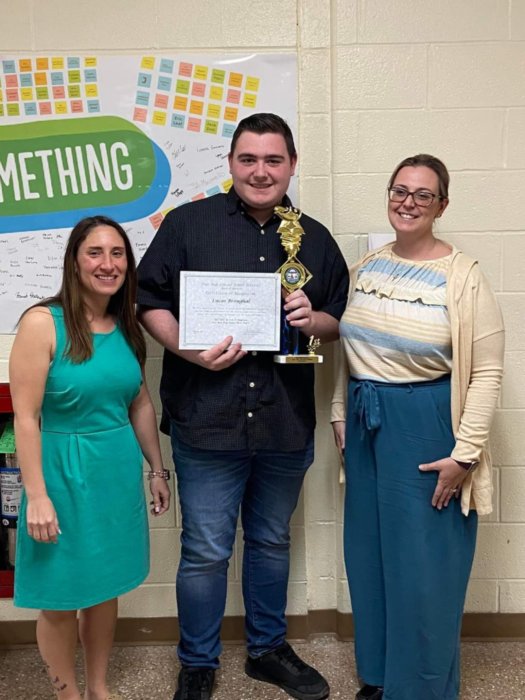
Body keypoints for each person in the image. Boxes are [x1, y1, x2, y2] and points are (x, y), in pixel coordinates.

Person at [137, 113, 349, 700]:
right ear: (231, 163)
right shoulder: (187, 225)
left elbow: (337, 319)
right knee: (204, 551)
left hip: (284, 423)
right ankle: (198, 662)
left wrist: (315, 320)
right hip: (208, 420)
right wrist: (188, 349)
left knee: (272, 541)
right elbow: (147, 297)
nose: (261, 171)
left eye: (273, 160)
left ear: (292, 165)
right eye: (249, 159)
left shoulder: (314, 238)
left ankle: (266, 650)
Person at [331, 155, 504, 700]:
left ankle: (423, 687)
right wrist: (340, 412)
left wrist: (466, 454)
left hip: (428, 428)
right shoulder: (367, 267)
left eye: (422, 195)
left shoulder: (463, 277)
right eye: (399, 190)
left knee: (425, 570)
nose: (408, 202)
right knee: (371, 558)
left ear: (442, 206)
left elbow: (488, 373)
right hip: (366, 426)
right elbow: (348, 350)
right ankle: (380, 677)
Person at [9, 215, 171, 700]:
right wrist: (36, 496)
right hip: (61, 470)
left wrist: (156, 470)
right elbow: (25, 418)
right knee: (61, 597)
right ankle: (68, 694)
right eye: (95, 253)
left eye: (117, 253)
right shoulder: (43, 323)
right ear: (74, 262)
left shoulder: (125, 323)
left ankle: (98, 688)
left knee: (104, 589)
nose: (108, 263)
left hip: (115, 471)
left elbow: (139, 401)